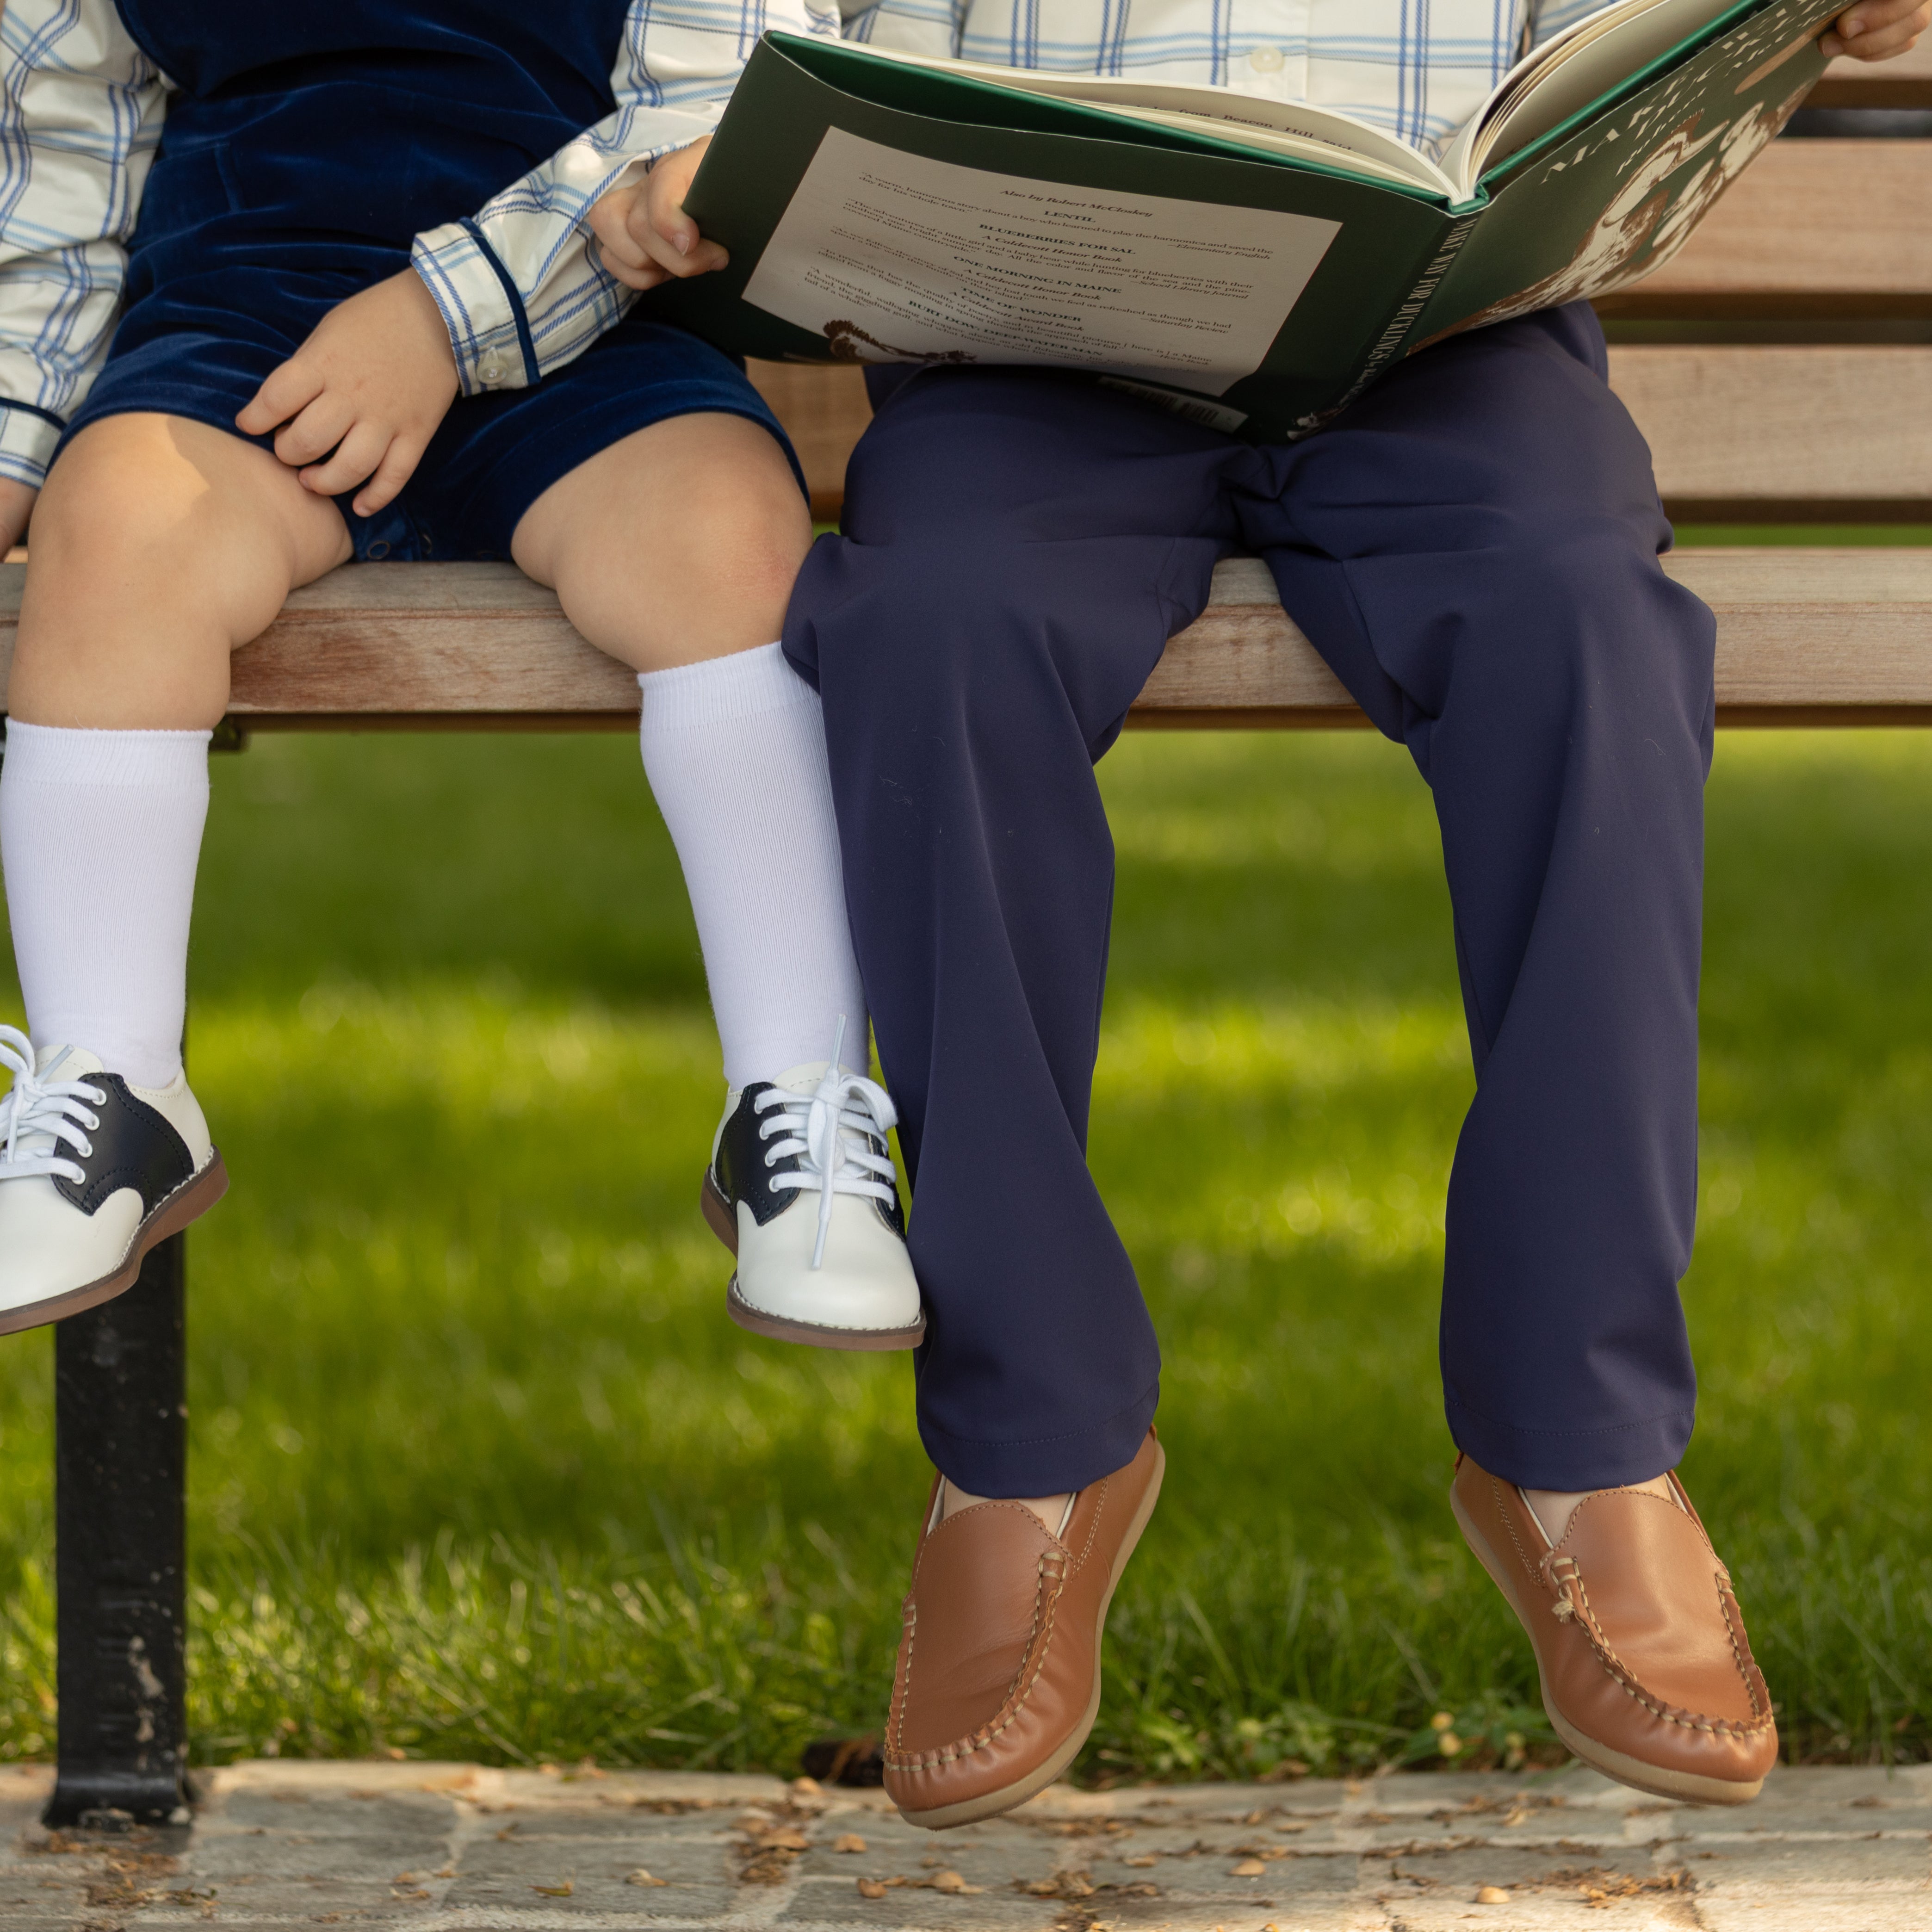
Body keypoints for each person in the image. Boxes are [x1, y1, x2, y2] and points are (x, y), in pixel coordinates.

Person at [773, 0, 1929, 1827]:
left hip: (1449, 346)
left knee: (1590, 639)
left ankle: (1582, 1445)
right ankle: (1025, 1447)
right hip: (1022, 353)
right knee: (928, 639)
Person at [0, 0, 923, 1351]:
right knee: (124, 528)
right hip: (246, 322)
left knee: (725, 539)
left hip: (594, 310)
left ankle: (799, 1099)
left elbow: (715, 120)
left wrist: (446, 322)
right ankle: (111, 1082)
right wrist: (19, 440)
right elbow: (59, 152)